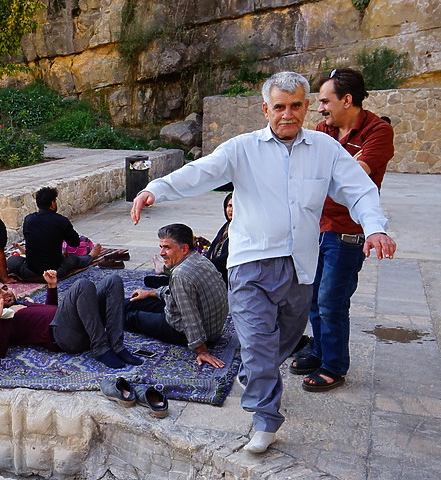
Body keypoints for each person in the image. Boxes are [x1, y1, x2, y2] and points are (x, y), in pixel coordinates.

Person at [130, 71, 396, 453]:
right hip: (251, 265)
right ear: (265, 109)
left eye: (296, 106)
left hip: (302, 266)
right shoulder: (243, 149)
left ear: (306, 106)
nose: (287, 114)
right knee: (257, 344)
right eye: (279, 107)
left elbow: (360, 190)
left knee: (280, 345)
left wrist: (374, 228)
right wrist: (155, 189)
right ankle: (265, 419)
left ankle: (255, 375)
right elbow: (200, 172)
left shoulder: (325, 148)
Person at [290, 68, 395, 392]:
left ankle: (334, 366)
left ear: (347, 100)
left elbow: (350, 176)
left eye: (325, 101)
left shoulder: (378, 131)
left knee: (332, 300)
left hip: (348, 234)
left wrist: (326, 169)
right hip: (317, 228)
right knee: (313, 298)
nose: (319, 109)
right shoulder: (325, 129)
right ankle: (321, 352)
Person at [0, 271, 142, 368]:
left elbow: (54, 312)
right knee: (82, 285)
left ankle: (117, 345)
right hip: (64, 338)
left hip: (79, 325)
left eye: (4, 288)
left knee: (113, 280)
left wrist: (52, 287)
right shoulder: (4, 318)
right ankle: (101, 348)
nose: (4, 293)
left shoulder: (24, 302)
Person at [125, 224, 229, 368]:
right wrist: (150, 293)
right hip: (209, 325)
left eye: (167, 247)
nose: (161, 253)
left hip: (191, 332)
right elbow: (176, 293)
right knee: (133, 302)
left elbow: (189, 316)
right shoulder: (199, 259)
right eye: (161, 247)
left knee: (132, 317)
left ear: (184, 248)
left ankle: (98, 318)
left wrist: (201, 350)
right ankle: (104, 307)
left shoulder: (181, 274)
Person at [7, 187, 102, 279]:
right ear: (52, 203)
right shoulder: (61, 221)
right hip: (56, 270)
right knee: (72, 259)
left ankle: (34, 277)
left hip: (31, 270)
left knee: (11, 261)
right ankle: (90, 257)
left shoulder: (28, 219)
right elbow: (75, 242)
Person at [205, 192, 233, 283]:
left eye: (236, 206)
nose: (231, 210)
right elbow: (213, 247)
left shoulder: (243, 230)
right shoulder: (226, 226)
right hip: (212, 270)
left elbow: (227, 258)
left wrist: (206, 266)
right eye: (229, 206)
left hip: (225, 277)